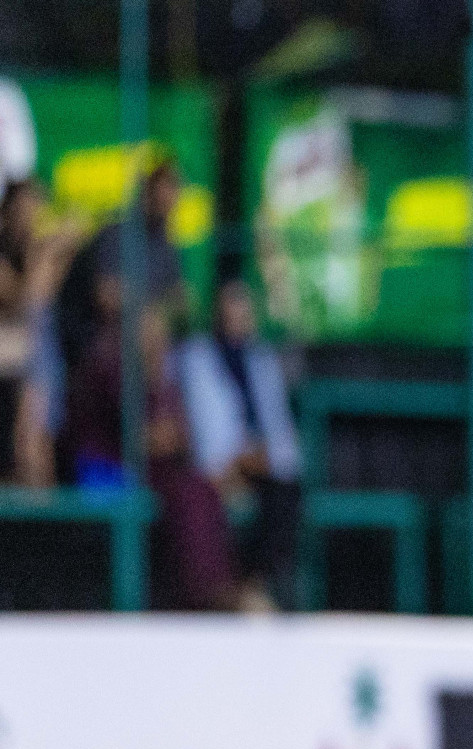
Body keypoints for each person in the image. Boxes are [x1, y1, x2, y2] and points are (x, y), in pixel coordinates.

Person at [64, 300, 245, 612]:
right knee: (189, 493)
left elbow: (176, 434)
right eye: (149, 329)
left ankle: (212, 588)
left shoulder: (162, 374)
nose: (157, 337)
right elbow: (136, 437)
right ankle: (207, 591)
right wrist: (159, 439)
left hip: (151, 472)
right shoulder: (108, 367)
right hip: (104, 472)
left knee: (200, 490)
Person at [176, 279, 303, 610]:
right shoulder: (196, 357)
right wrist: (230, 461)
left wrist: (264, 457)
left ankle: (258, 585)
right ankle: (229, 595)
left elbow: (278, 426)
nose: (238, 319)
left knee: (285, 491)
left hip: (257, 466)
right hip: (217, 468)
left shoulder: (261, 360)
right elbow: (204, 425)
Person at [57, 159, 185, 372]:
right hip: (97, 339)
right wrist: (145, 309)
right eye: (161, 194)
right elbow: (105, 296)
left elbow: (179, 299)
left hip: (150, 341)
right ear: (147, 194)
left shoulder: (166, 246)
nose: (168, 202)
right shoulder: (116, 235)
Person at [0, 177, 83, 485]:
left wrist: (59, 247)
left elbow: (44, 295)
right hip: (14, 364)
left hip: (39, 359)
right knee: (24, 442)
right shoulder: (17, 257)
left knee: (38, 442)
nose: (28, 219)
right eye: (20, 211)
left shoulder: (44, 253)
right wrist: (44, 253)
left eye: (33, 209)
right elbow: (27, 297)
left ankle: (42, 522)